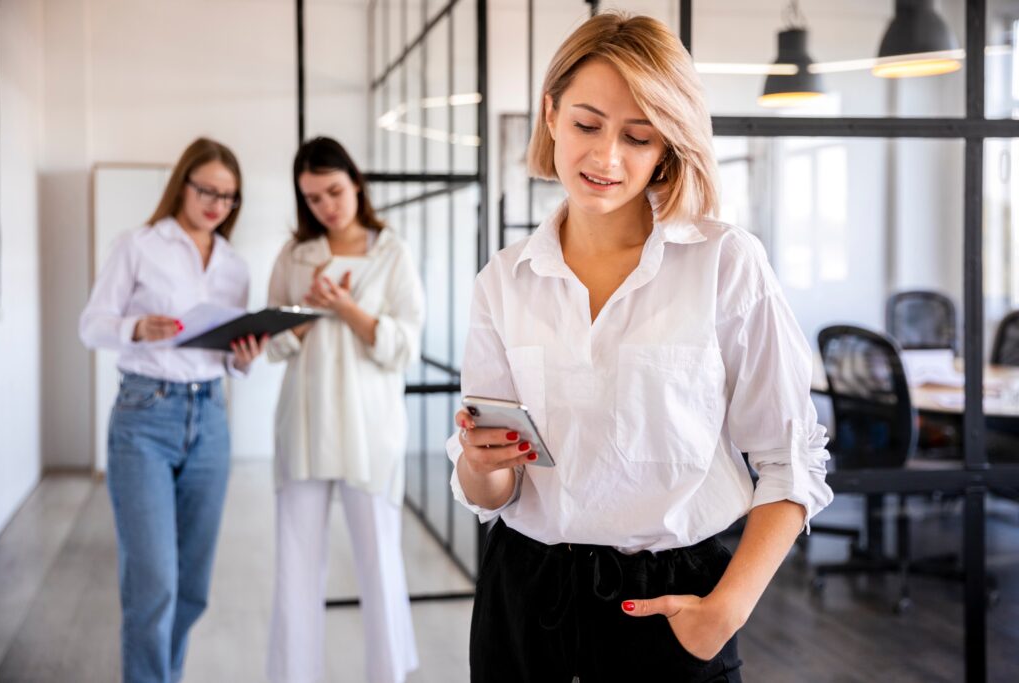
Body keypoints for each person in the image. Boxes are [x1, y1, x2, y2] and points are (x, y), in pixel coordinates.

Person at [447, 13, 834, 682]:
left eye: (638, 135)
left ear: (668, 145)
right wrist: (480, 465)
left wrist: (724, 611)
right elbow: (494, 486)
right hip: (523, 597)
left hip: (670, 605)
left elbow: (790, 458)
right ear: (551, 113)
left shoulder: (724, 263)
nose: (606, 159)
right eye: (587, 124)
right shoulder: (503, 281)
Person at [79, 137, 264, 682]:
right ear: (182, 184)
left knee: (191, 586)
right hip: (144, 416)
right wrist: (135, 327)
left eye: (228, 197)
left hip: (210, 418)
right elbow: (90, 325)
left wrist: (245, 357)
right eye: (206, 189)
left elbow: (228, 358)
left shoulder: (234, 266)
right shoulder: (137, 245)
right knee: (154, 581)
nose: (215, 203)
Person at [265, 136, 423, 683]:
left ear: (356, 183)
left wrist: (349, 309)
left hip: (370, 431)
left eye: (334, 191)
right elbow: (272, 342)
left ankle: (389, 674)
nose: (326, 206)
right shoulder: (294, 256)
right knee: (295, 567)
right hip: (304, 426)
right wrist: (306, 311)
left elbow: (406, 346)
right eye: (313, 198)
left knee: (379, 562)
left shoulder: (392, 252)